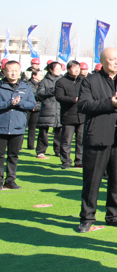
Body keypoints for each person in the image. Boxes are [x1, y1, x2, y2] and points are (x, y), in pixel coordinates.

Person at [76, 47, 117, 232]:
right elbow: (83, 105)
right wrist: (109, 103)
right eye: (112, 59)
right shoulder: (91, 80)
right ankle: (87, 217)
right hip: (97, 136)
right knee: (92, 179)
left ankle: (114, 215)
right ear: (102, 61)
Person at [0, 61, 37, 189]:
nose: (13, 73)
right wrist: (10, 103)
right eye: (10, 70)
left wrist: (19, 103)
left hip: (18, 127)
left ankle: (10, 180)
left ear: (20, 71)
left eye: (16, 70)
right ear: (4, 72)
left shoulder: (25, 87)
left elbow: (32, 104)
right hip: (1, 126)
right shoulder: (1, 86)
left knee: (13, 155)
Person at [54, 60, 85, 170]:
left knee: (81, 140)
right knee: (66, 140)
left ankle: (79, 160)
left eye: (78, 67)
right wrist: (74, 100)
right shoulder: (61, 82)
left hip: (82, 115)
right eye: (74, 68)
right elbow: (59, 97)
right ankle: (66, 161)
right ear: (68, 69)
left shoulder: (83, 80)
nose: (77, 70)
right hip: (68, 115)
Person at [35, 61, 63, 160]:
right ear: (51, 70)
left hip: (60, 108)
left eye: (60, 68)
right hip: (47, 108)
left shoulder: (63, 79)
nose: (59, 71)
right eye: (57, 68)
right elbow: (40, 93)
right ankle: (41, 151)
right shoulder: (44, 81)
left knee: (59, 131)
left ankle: (58, 151)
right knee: (43, 131)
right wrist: (53, 90)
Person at [24, 67, 43, 152]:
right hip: (28, 108)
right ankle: (19, 144)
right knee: (23, 126)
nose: (41, 76)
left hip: (37, 108)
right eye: (40, 75)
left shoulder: (41, 84)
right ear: (34, 76)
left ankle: (31, 145)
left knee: (33, 127)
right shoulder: (27, 84)